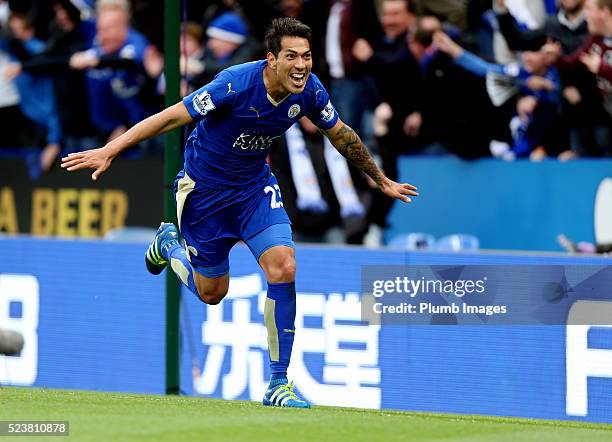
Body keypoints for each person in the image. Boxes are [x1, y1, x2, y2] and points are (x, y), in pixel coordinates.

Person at [61, 17, 417, 408]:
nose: (301, 66)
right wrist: (112, 149)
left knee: (284, 265)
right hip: (205, 195)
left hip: (253, 192)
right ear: (271, 59)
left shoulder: (310, 92)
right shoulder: (234, 84)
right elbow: (172, 116)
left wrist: (379, 179)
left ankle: (278, 384)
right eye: (291, 57)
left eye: (307, 57)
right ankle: (169, 246)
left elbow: (342, 134)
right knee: (212, 293)